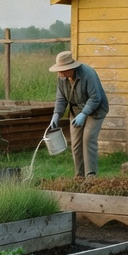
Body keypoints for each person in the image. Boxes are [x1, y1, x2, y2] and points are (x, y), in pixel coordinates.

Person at [49, 50, 109, 178]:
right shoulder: (62, 78)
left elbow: (95, 98)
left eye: (63, 70)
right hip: (76, 111)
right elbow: (61, 99)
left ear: (71, 68)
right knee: (76, 143)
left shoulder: (88, 74)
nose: (60, 73)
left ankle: (91, 176)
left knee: (88, 139)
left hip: (96, 110)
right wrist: (56, 116)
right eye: (59, 70)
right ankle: (79, 176)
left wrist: (84, 114)